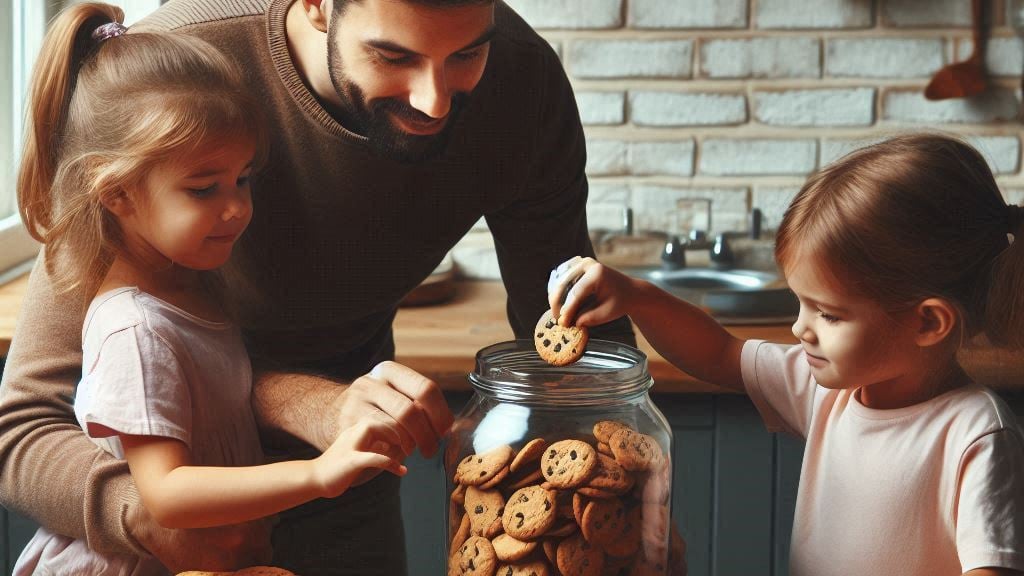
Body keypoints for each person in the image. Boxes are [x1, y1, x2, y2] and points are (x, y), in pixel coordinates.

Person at [0, 0, 634, 574]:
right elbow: (22, 427)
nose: (433, 101)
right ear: (317, 6)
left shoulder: (520, 84)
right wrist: (145, 517)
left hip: (353, 489)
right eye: (392, 56)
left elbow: (578, 342)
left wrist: (628, 509)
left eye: (467, 54)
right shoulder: (169, 79)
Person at [10, 5, 411, 574]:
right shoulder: (135, 331)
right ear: (116, 192)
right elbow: (167, 493)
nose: (237, 208)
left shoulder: (188, 289)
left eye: (243, 179)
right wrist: (318, 476)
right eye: (203, 189)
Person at [547, 134, 1024, 576]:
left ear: (927, 323)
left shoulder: (976, 436)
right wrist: (638, 296)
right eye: (801, 303)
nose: (800, 328)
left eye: (829, 315)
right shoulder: (827, 390)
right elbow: (720, 352)